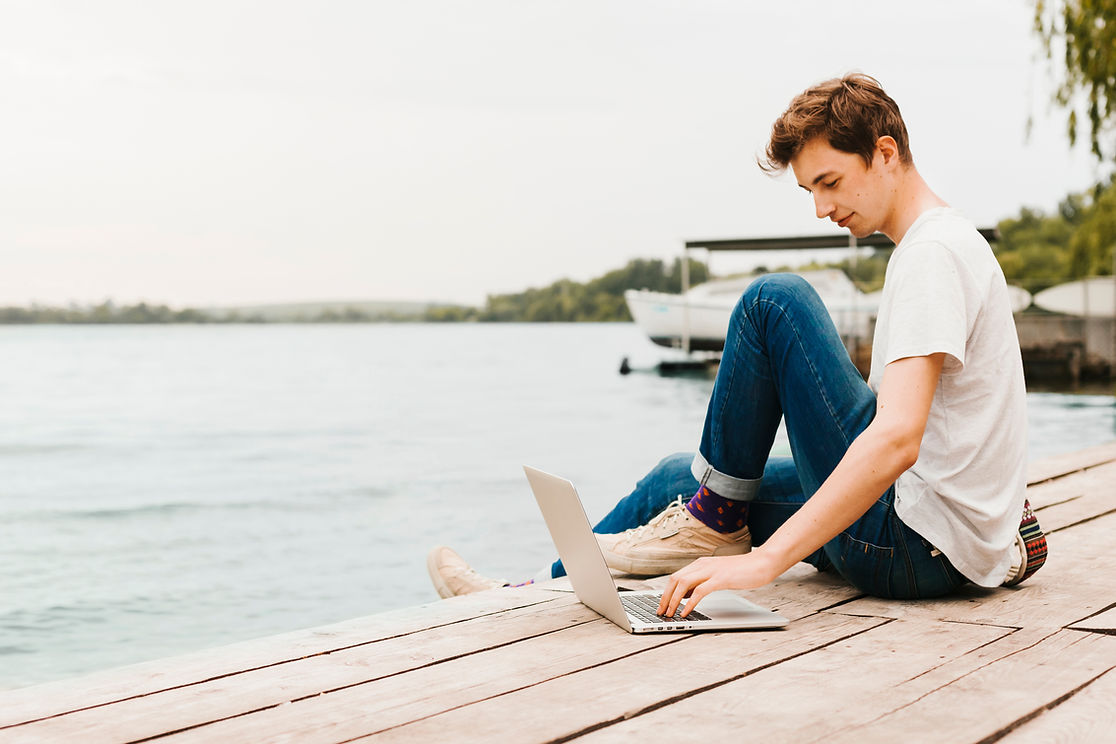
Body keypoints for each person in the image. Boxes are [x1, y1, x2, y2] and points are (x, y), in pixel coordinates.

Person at [427, 73, 1047, 616]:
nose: (821, 208)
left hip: (913, 546)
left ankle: (716, 522)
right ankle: (527, 590)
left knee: (773, 301)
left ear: (885, 153)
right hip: (931, 538)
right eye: (810, 192)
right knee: (678, 478)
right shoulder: (937, 245)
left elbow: (896, 437)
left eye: (829, 181)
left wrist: (765, 561)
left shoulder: (933, 253)